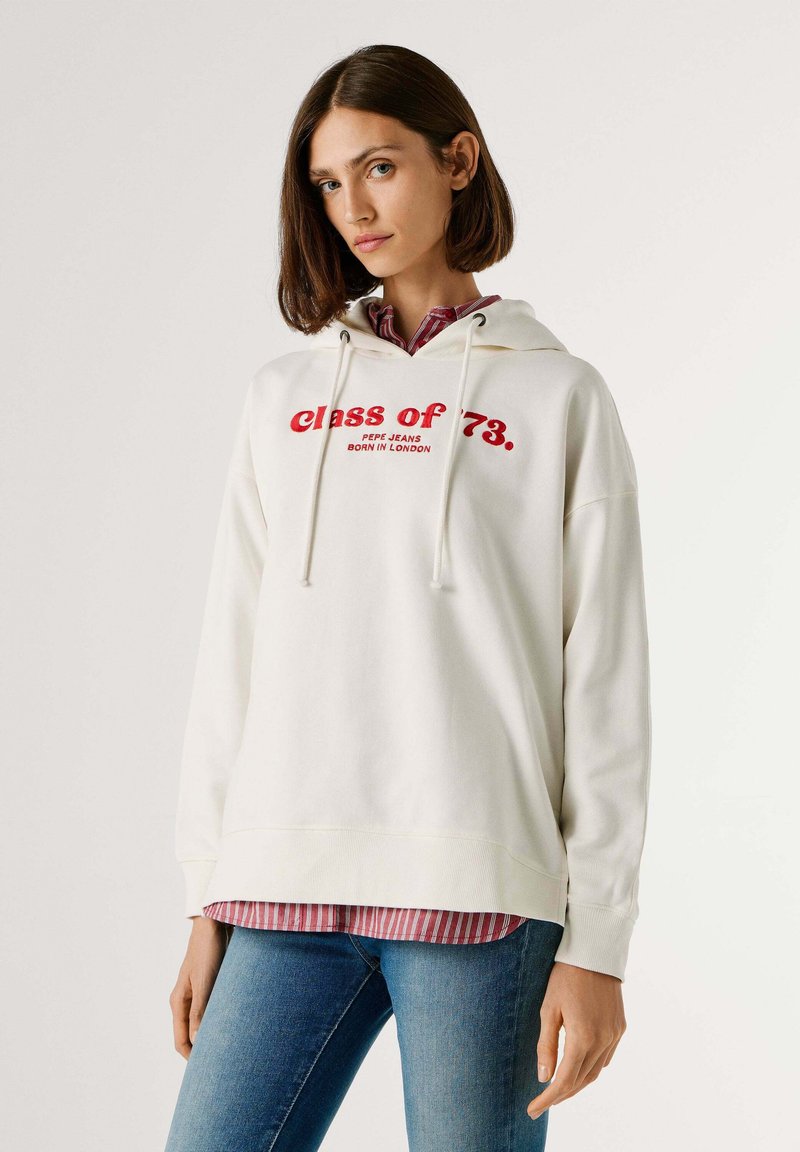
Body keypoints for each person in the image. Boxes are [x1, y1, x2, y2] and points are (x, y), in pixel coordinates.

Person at [165, 43, 652, 1152]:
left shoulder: (557, 395)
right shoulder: (282, 397)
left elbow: (605, 678)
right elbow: (233, 650)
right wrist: (207, 892)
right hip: (281, 890)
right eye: (328, 183)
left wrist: (598, 943)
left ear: (458, 161)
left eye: (380, 167)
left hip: (479, 891)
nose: (353, 208)